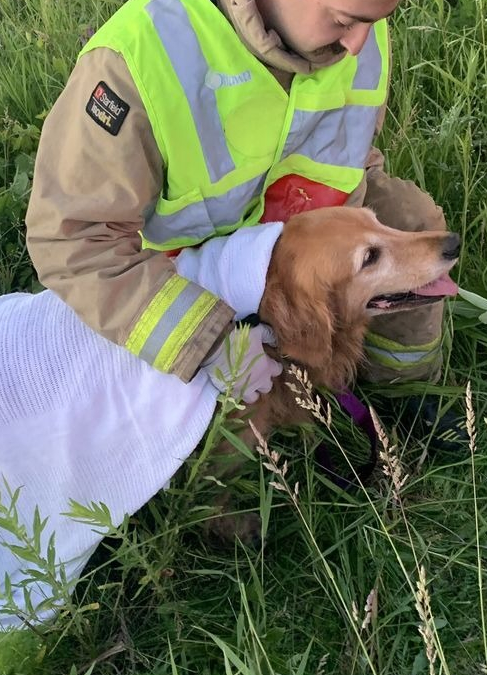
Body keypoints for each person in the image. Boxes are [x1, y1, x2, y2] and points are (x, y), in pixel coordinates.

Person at [25, 0, 463, 443]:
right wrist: (207, 340)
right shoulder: (140, 56)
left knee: (410, 218)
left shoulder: (356, 31)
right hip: (182, 270)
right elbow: (73, 238)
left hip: (313, 235)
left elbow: (351, 154)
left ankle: (401, 392)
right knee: (202, 396)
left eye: (374, 22)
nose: (358, 45)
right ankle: (220, 468)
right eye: (344, 21)